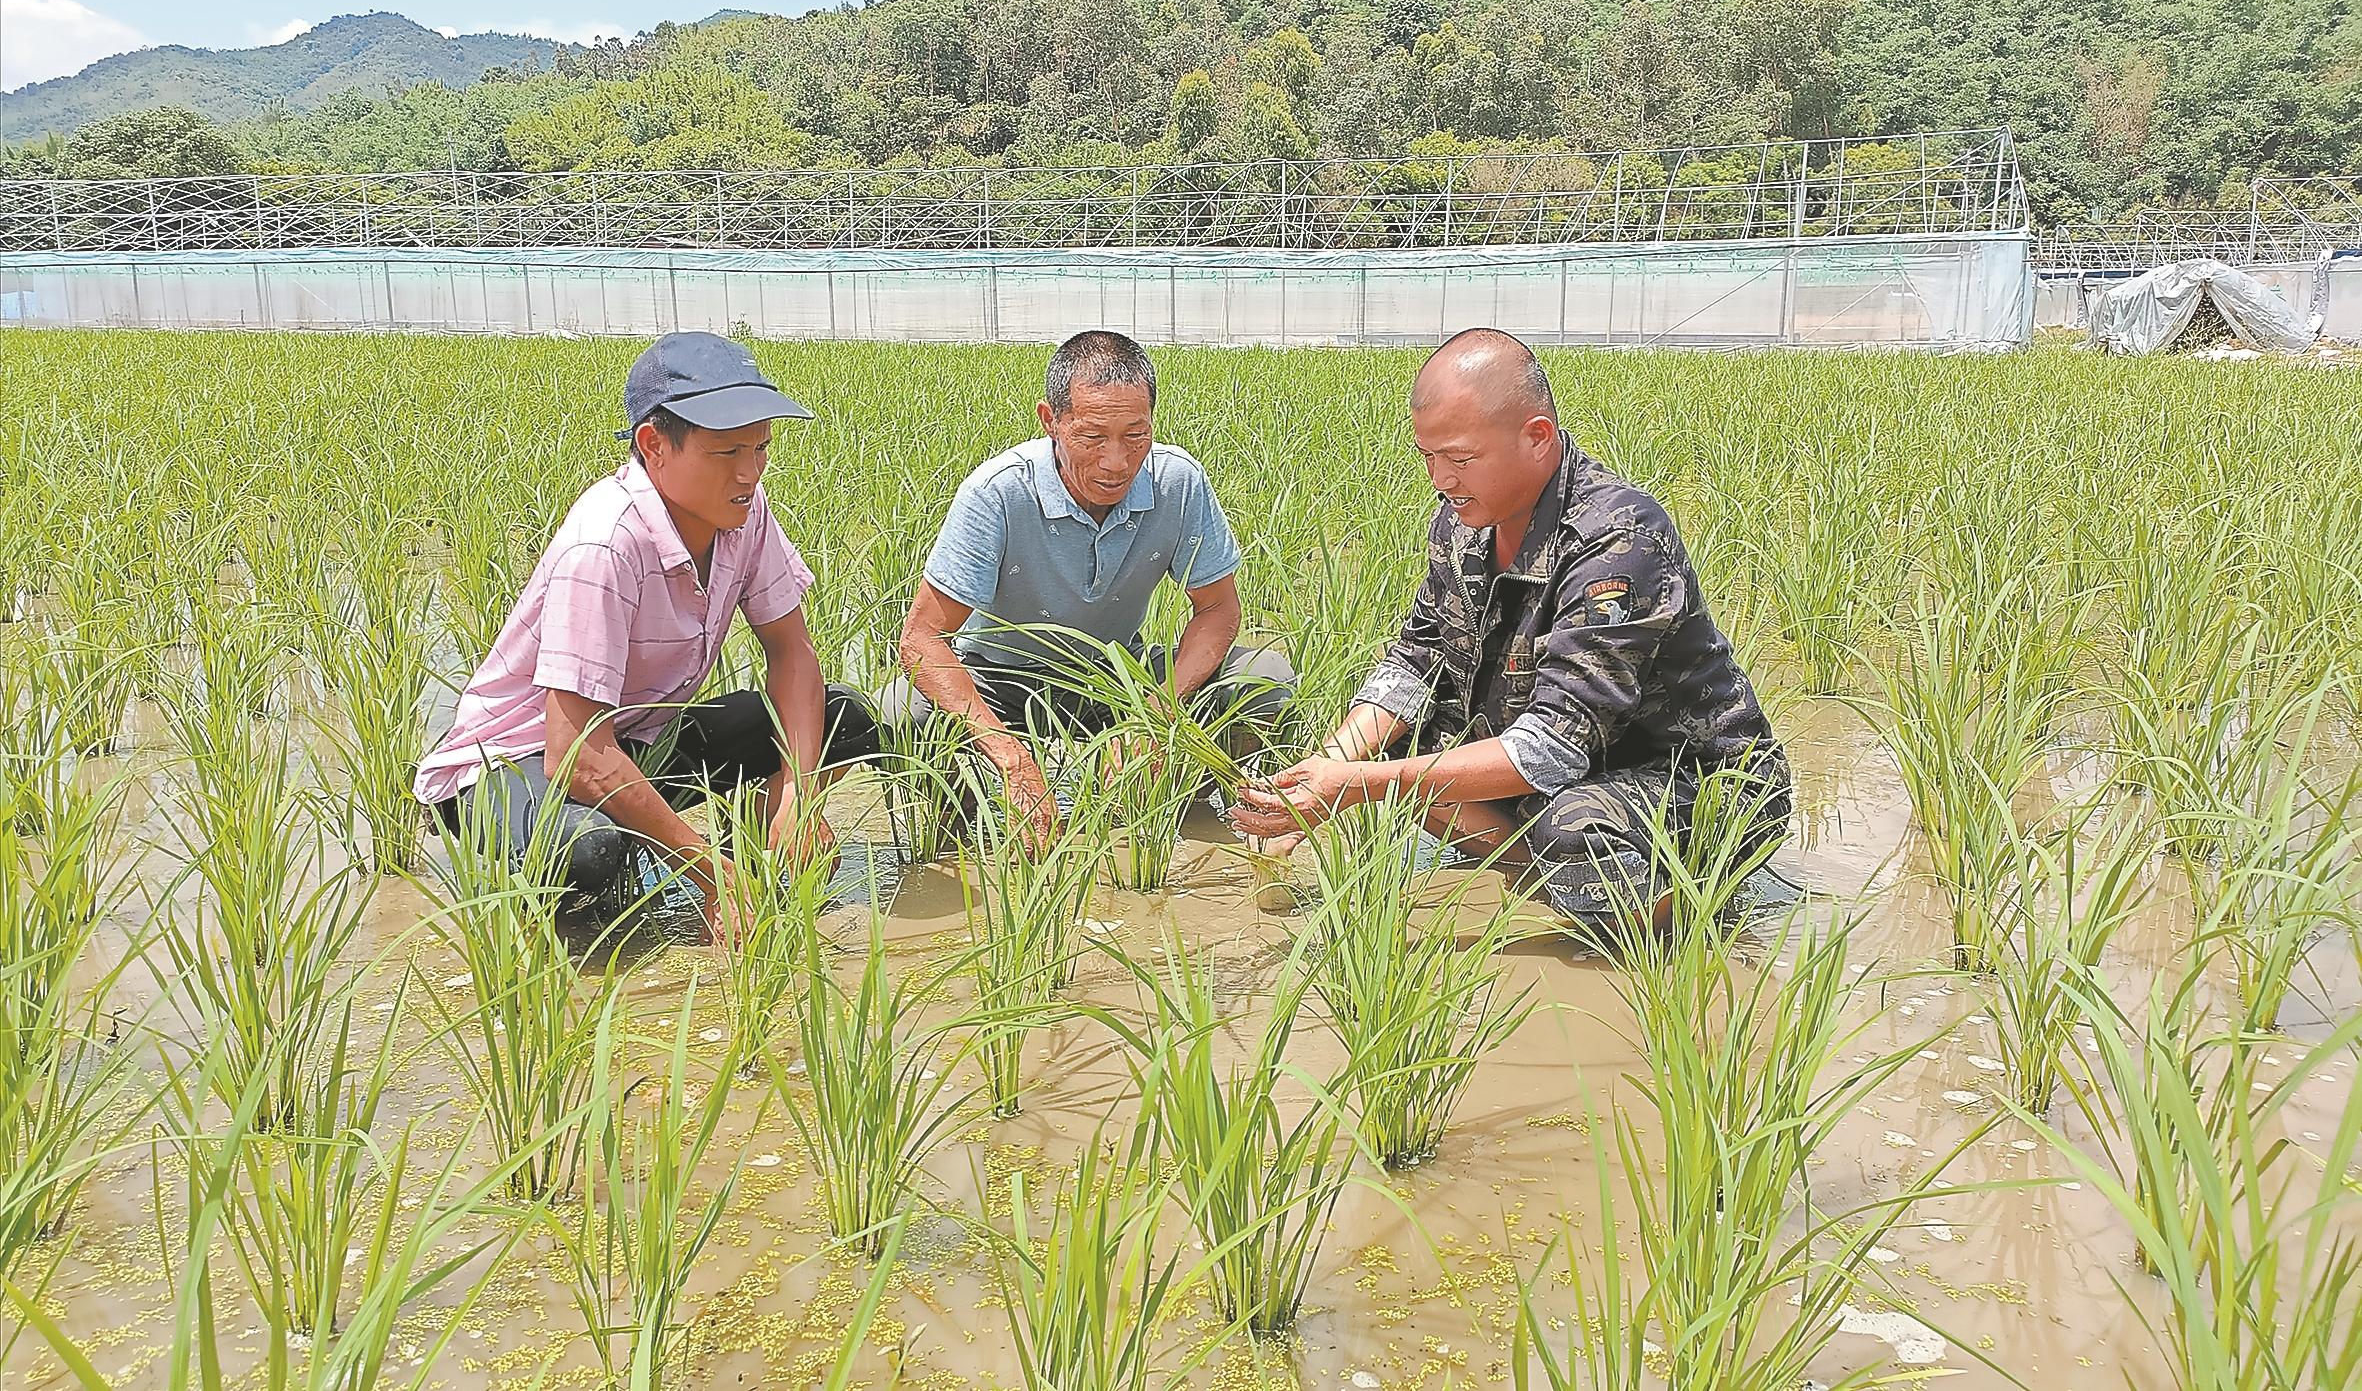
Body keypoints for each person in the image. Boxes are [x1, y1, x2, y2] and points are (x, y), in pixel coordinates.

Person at [1230, 328, 1788, 940]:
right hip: (1574, 762)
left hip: (1691, 780)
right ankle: (1534, 871)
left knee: (1571, 830)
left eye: (1461, 459)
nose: (1441, 479)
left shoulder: (1617, 541)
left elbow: (1554, 745)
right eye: (1429, 458)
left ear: (1536, 437)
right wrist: (1320, 774)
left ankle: (1685, 919)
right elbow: (1415, 659)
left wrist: (1355, 788)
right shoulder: (1462, 521)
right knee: (1386, 747)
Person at [413, 331, 881, 935]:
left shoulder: (744, 509)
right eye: (725, 452)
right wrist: (707, 868)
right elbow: (575, 753)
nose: (749, 470)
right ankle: (576, 945)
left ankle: (759, 859)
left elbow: (792, 652)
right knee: (593, 854)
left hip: (637, 733)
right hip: (516, 763)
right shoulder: (605, 545)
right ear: (654, 445)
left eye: (760, 448)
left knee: (843, 716)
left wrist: (797, 793)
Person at [887, 330, 1292, 843]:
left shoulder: (1177, 482)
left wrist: (1156, 715)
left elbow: (1218, 610)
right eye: (1093, 437)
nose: (1117, 462)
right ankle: (958, 833)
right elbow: (922, 639)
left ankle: (1180, 809)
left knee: (1263, 676)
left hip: (1118, 673)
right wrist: (1011, 758)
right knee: (903, 713)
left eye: (1135, 435)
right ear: (1050, 421)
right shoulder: (998, 493)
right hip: (1002, 675)